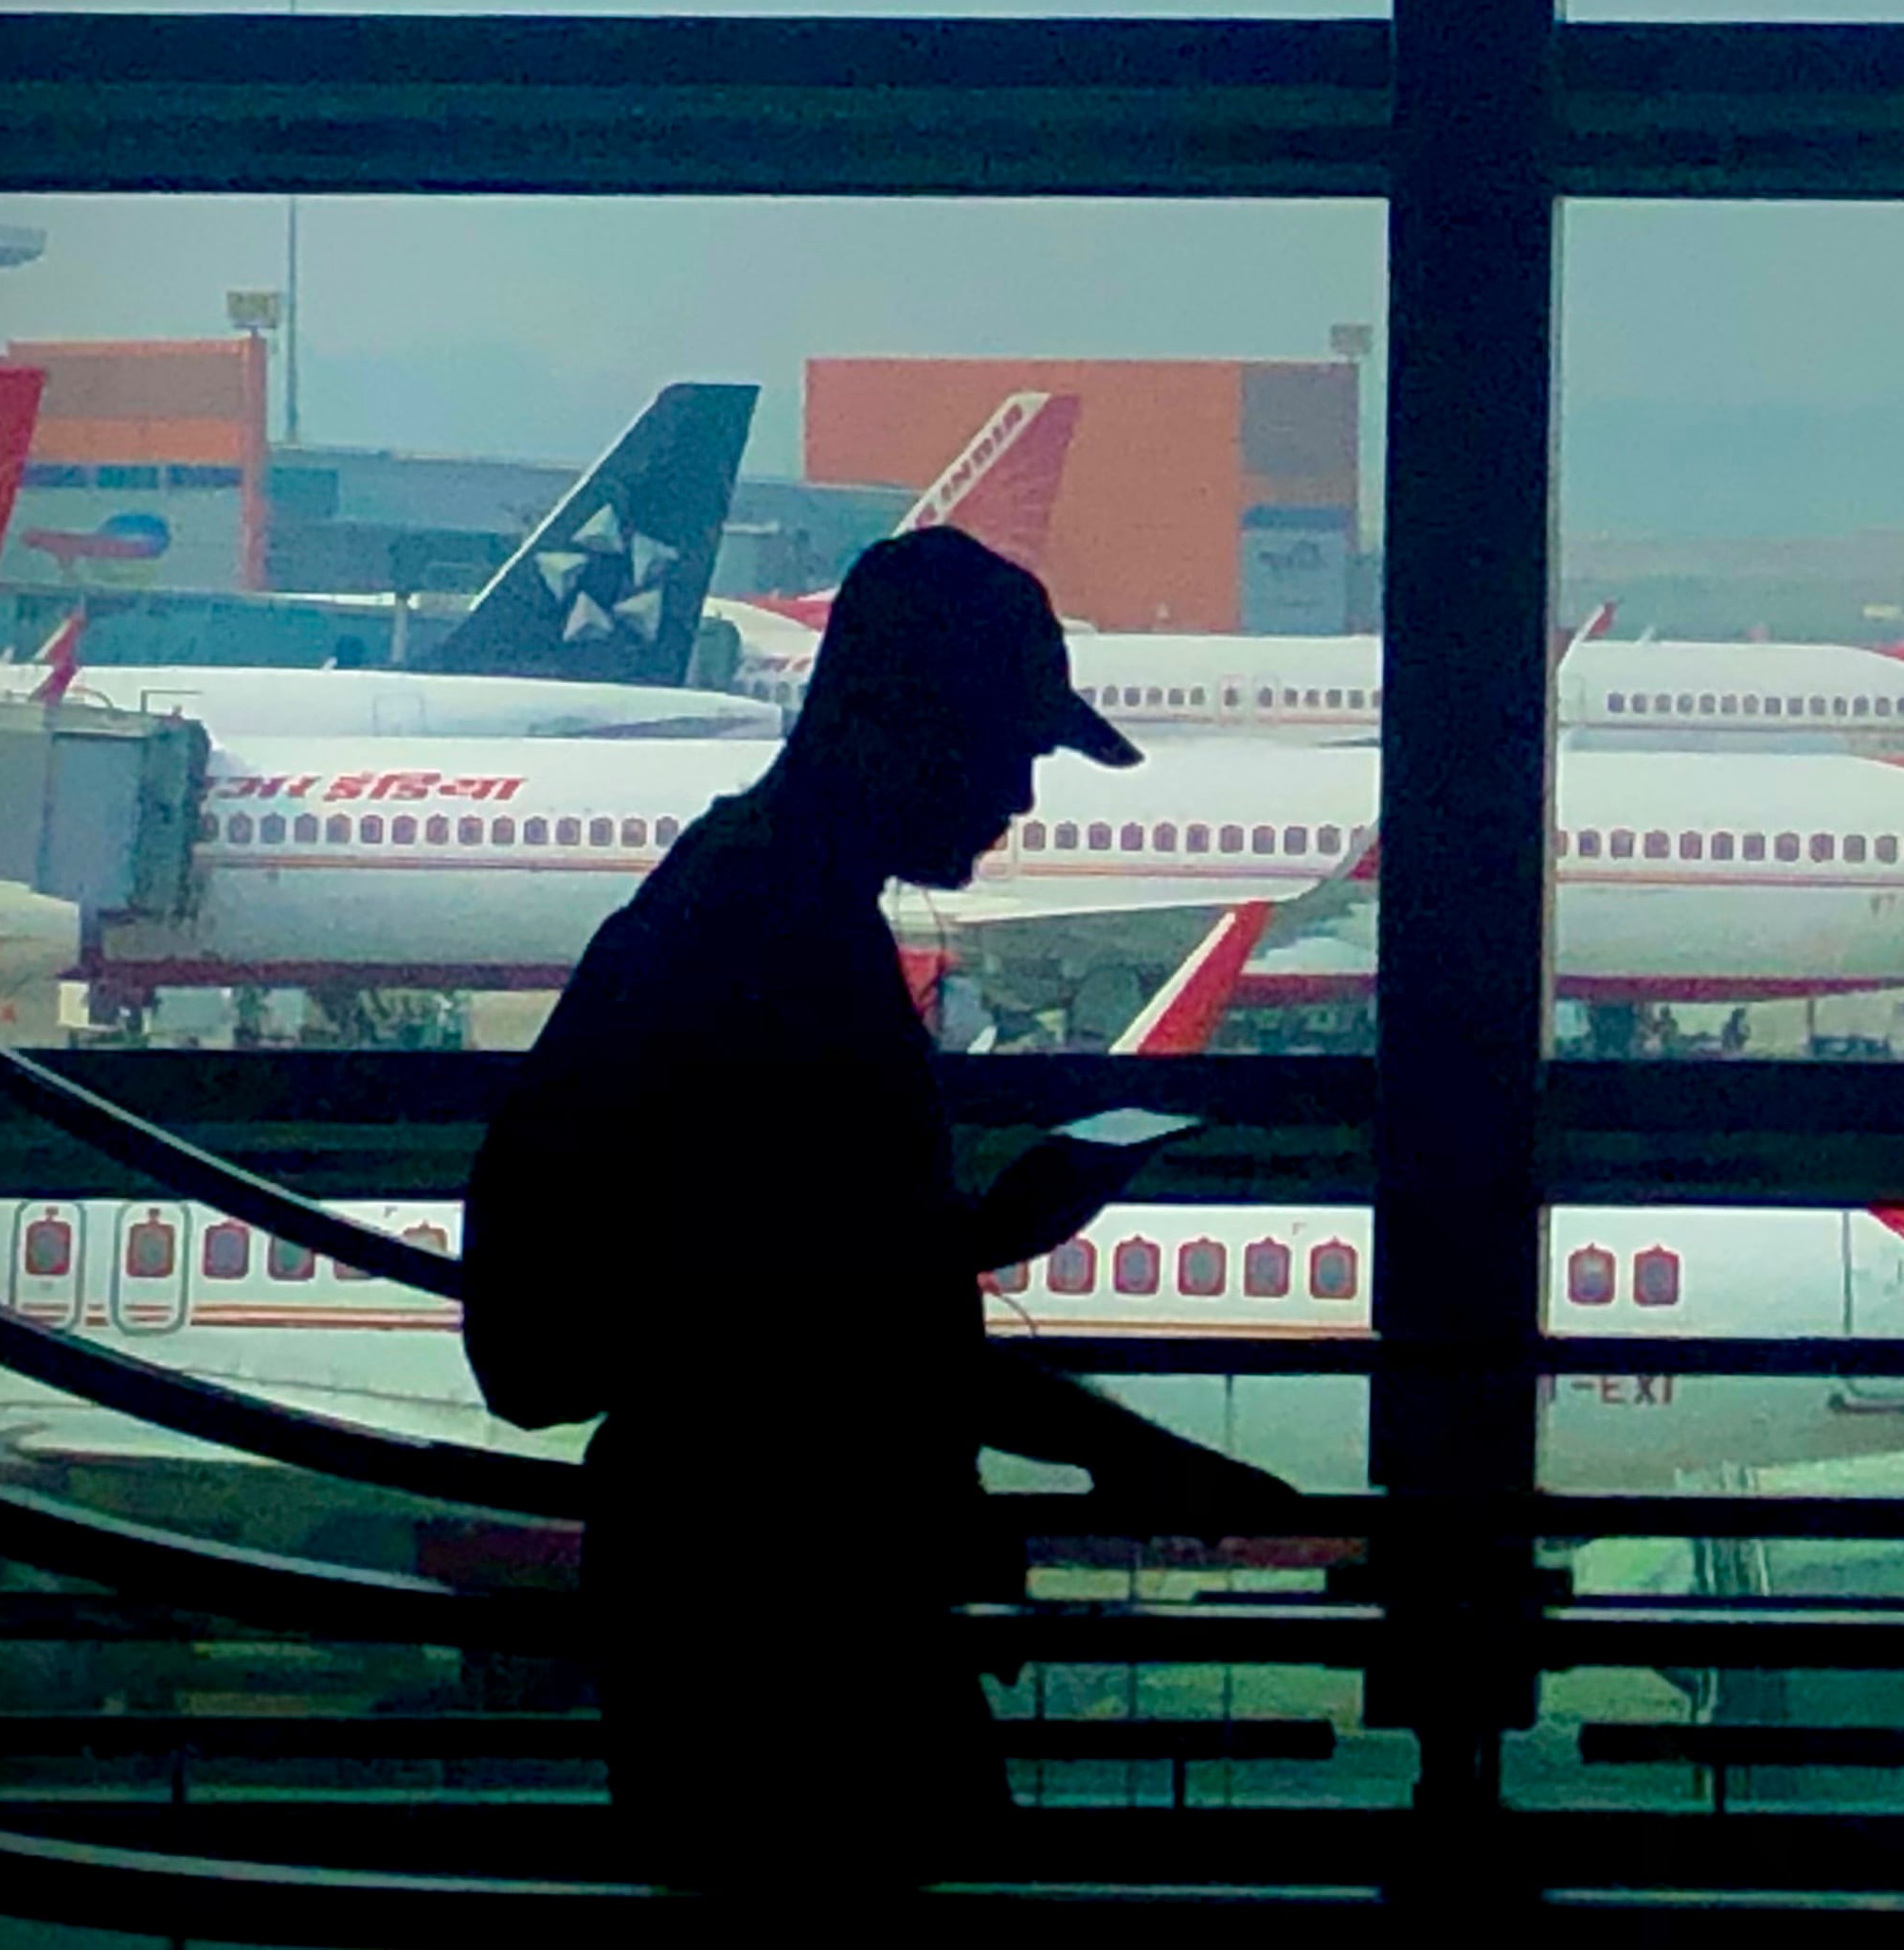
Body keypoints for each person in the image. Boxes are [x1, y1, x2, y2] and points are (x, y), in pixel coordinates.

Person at [459, 526, 1291, 1895]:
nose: (1019, 791)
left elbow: (792, 1287)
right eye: (1006, 744)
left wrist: (957, 1255)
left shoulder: (737, 902)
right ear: (912, 724)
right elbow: (824, 1323)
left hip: (731, 1583)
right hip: (792, 1612)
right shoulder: (792, 945)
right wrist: (1118, 1436)